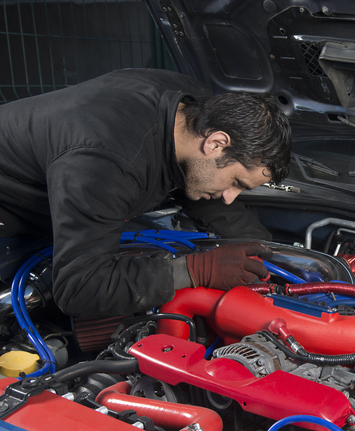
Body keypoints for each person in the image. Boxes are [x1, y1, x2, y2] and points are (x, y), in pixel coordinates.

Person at [0, 68, 292, 317]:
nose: (230, 196)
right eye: (236, 183)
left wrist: (267, 251)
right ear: (216, 143)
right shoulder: (106, 162)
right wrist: (194, 270)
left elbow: (197, 178)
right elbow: (79, 288)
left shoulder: (194, 110)